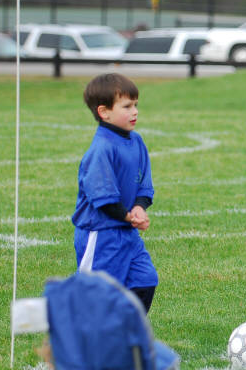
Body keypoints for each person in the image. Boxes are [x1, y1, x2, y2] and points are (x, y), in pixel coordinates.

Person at [73, 73, 158, 313]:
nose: (135, 112)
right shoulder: (102, 148)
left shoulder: (136, 141)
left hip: (127, 232)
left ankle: (124, 331)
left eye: (136, 105)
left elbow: (144, 183)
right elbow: (103, 198)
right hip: (101, 234)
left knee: (145, 281)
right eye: (127, 106)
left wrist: (139, 207)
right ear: (104, 112)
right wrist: (128, 216)